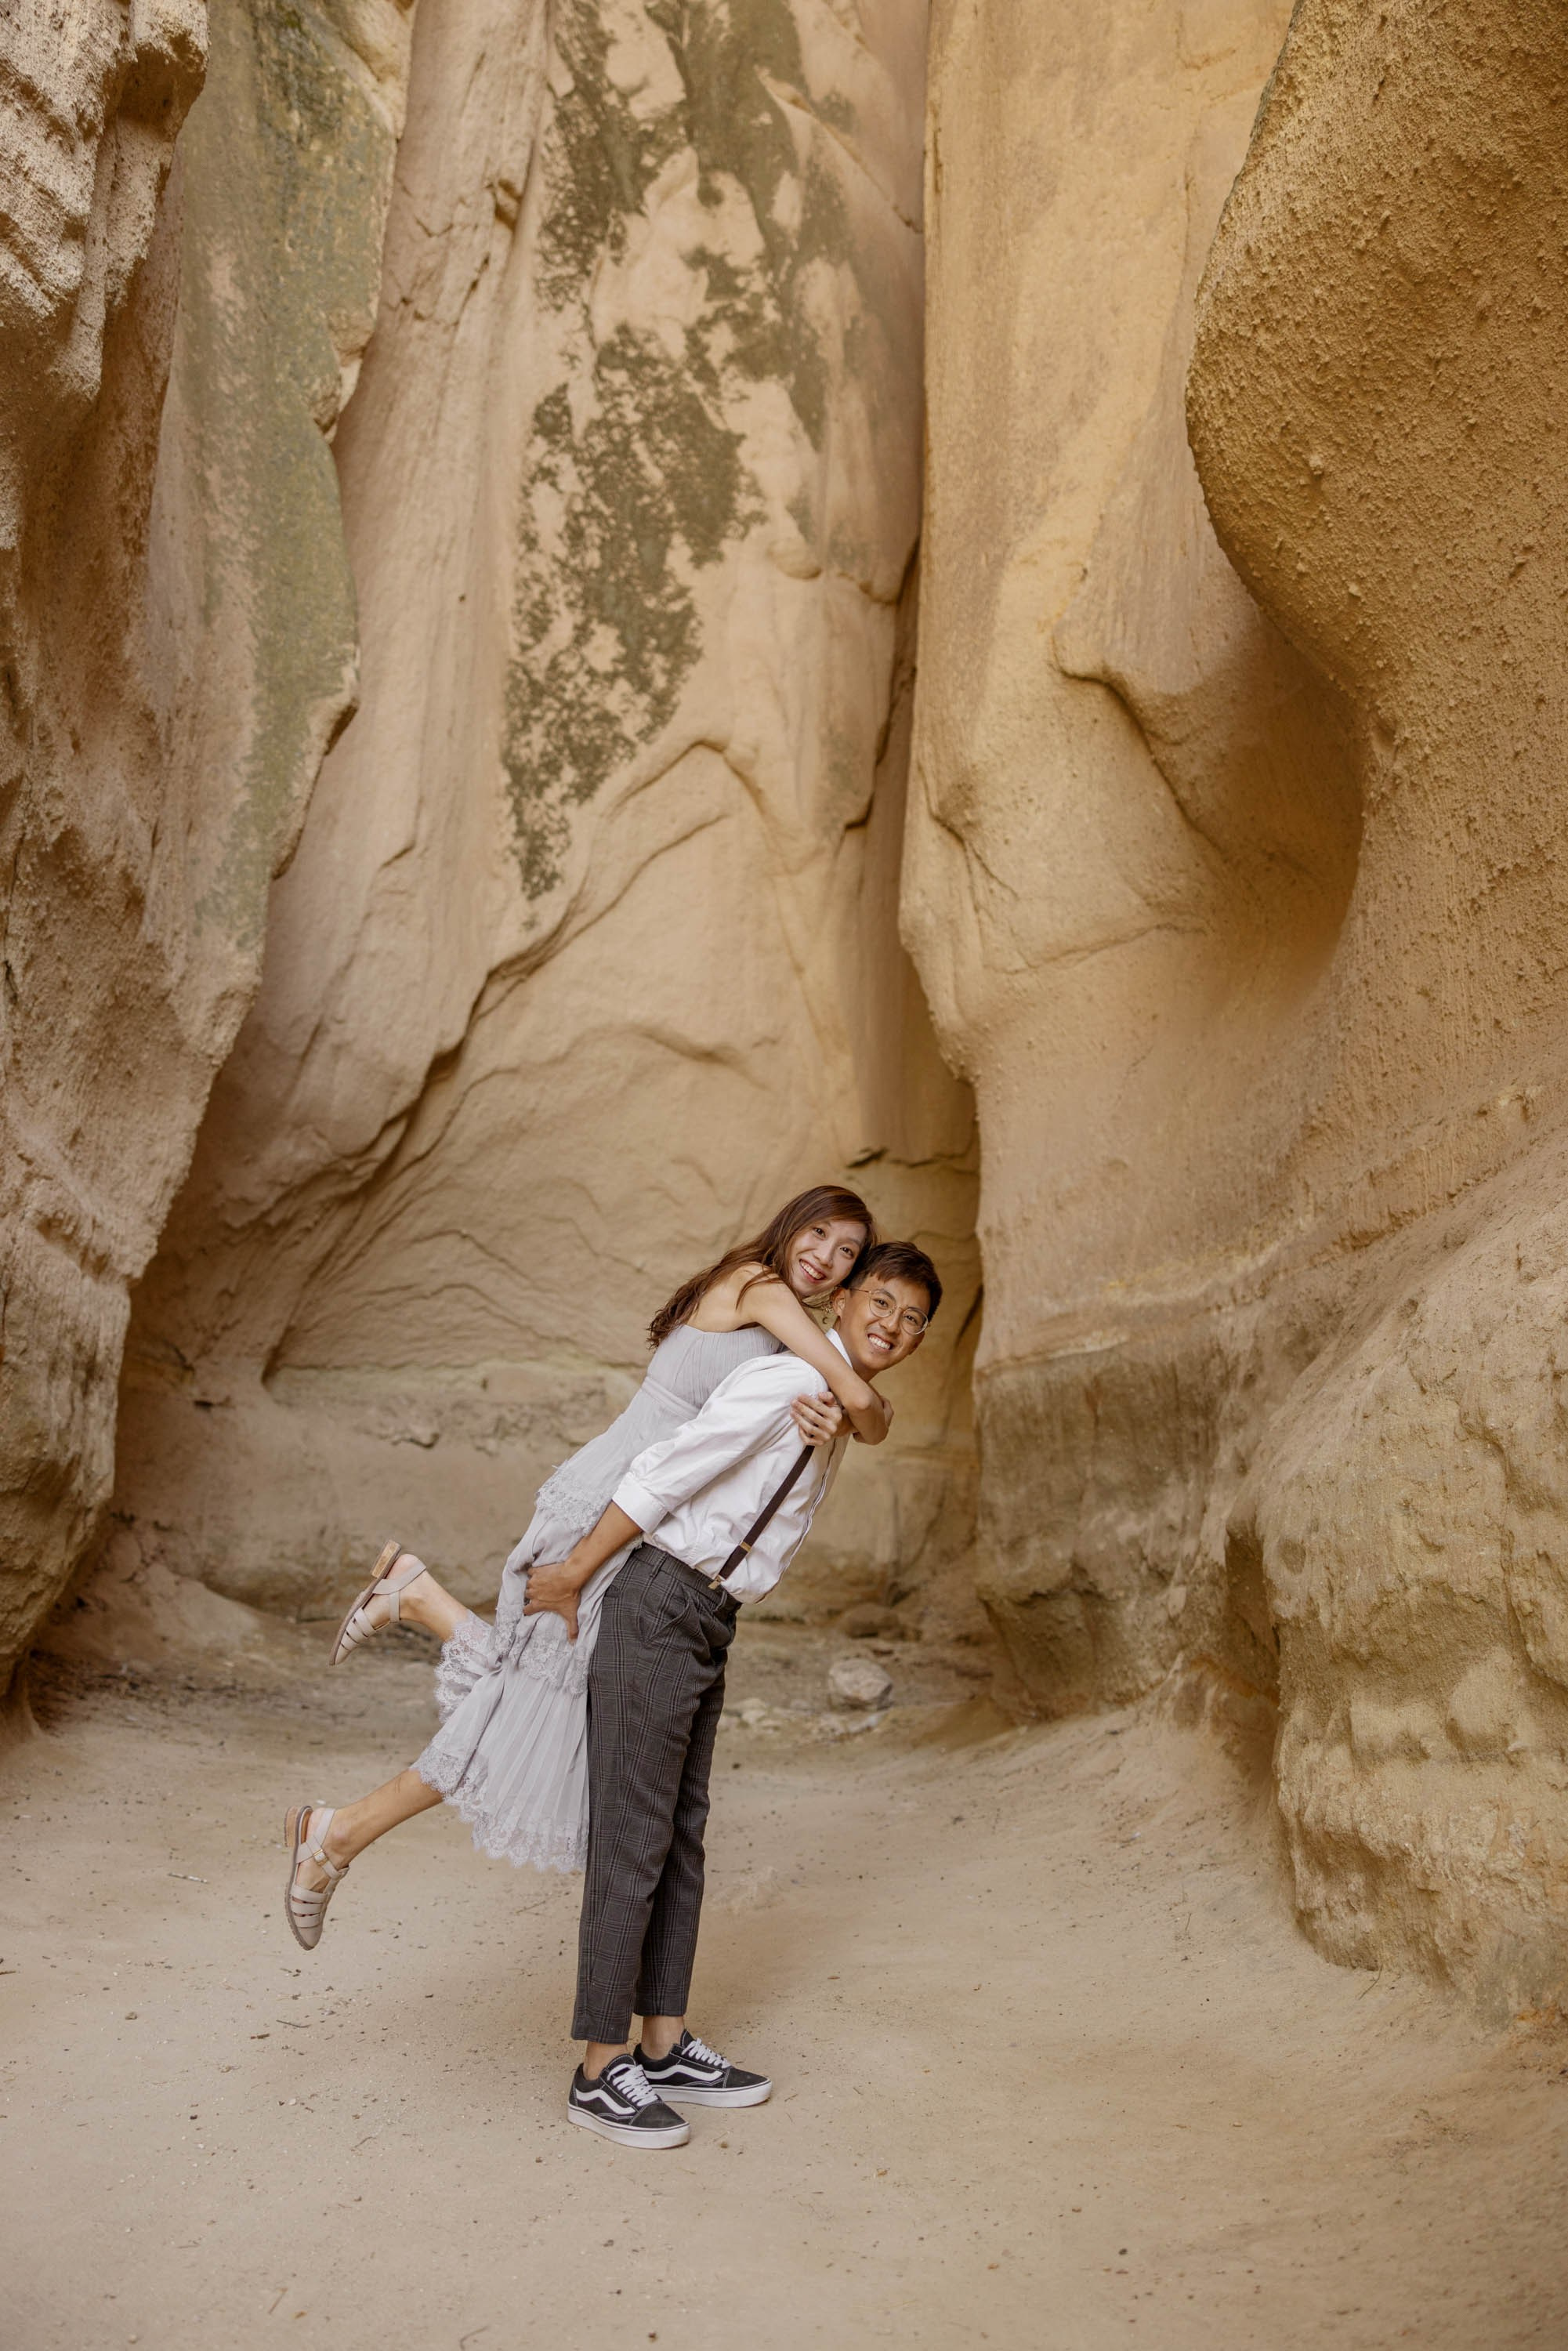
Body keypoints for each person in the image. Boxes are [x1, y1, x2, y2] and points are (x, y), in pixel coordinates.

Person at [283, 1186, 888, 1946]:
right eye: (820, 1234)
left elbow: (857, 1410)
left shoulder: (777, 1326)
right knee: (521, 1707)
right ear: (791, 1225)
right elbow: (860, 1394)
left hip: (638, 1518)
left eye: (847, 1252)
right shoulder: (761, 1287)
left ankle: (412, 1612)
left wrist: (841, 1413)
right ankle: (334, 1835)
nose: (826, 1257)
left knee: (530, 1695)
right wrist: (845, 1406)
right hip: (609, 1505)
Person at [538, 1240, 942, 2150]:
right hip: (661, 1599)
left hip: (707, 1614)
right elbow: (664, 1473)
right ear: (842, 1301)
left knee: (679, 1835)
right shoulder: (785, 1382)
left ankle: (664, 2041)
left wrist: (853, 1407)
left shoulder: (833, 1396)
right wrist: (576, 1572)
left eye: (913, 1319)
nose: (893, 1325)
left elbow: (874, 1416)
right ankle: (599, 2070)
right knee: (634, 1837)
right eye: (881, 1302)